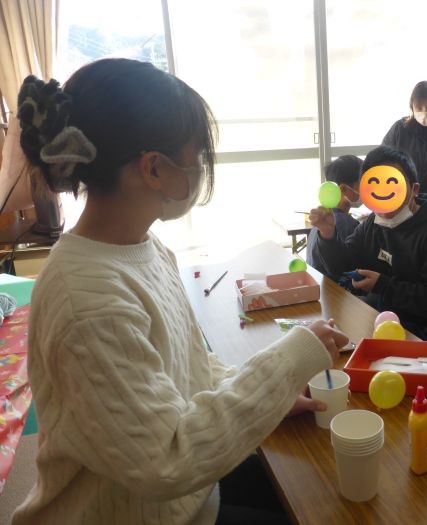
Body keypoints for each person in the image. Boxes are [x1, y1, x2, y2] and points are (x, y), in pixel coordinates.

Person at [12, 59, 348, 525]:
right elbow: (168, 459)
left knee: (319, 489)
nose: (201, 169)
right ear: (153, 167)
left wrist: (271, 392)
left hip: (183, 498)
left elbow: (192, 366)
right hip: (135, 510)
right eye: (197, 156)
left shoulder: (144, 247)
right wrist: (287, 362)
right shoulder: (88, 301)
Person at [309, 145, 427, 341]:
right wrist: (328, 234)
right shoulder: (373, 223)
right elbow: (341, 265)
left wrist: (383, 285)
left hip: (424, 334)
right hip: (381, 320)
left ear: (414, 189)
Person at [307, 155, 362, 280]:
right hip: (336, 290)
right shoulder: (346, 224)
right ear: (343, 189)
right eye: (363, 184)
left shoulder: (322, 223)